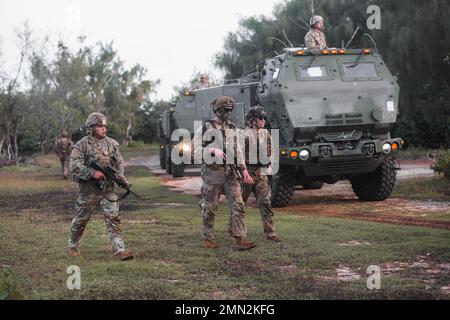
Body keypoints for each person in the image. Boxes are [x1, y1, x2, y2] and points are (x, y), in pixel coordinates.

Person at [192, 96, 256, 251]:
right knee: (210, 207)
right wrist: (212, 150)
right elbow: (194, 152)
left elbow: (238, 151)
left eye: (230, 110)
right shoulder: (205, 129)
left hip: (230, 173)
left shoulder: (232, 128)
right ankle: (208, 238)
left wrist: (244, 171)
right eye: (225, 110)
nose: (228, 113)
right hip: (212, 173)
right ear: (217, 110)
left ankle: (239, 238)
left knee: (238, 204)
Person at [68, 112, 134, 261]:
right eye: (99, 126)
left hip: (108, 189)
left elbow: (119, 163)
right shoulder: (82, 145)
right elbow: (74, 165)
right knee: (81, 220)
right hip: (89, 190)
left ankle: (119, 249)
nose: (104, 129)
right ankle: (73, 245)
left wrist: (120, 177)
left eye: (105, 126)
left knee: (113, 218)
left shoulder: (112, 143)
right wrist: (92, 173)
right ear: (91, 128)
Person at [240, 106, 281, 242]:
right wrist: (242, 171)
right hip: (247, 172)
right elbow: (238, 154)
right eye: (260, 118)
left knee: (265, 202)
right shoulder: (244, 134)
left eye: (264, 118)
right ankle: (237, 231)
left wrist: (270, 164)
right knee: (240, 204)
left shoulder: (266, 134)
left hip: (261, 172)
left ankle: (270, 233)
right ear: (252, 120)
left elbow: (272, 150)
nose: (263, 121)